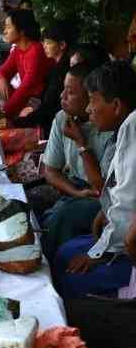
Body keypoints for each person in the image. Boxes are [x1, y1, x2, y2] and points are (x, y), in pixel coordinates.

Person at [54, 61, 136, 300]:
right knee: (65, 253)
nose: (89, 109)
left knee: (72, 275)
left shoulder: (133, 127)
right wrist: (106, 209)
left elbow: (128, 203)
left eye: (93, 100)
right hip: (125, 235)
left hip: (130, 249)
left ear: (117, 105)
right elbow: (119, 191)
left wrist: (97, 253)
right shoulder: (124, 127)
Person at [40, 62, 115, 263]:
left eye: (71, 92)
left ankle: (47, 271)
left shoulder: (111, 128)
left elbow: (101, 188)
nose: (62, 96)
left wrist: (81, 143)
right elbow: (51, 171)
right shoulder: (63, 118)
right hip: (76, 187)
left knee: (63, 216)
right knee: (24, 204)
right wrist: (75, 192)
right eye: (64, 89)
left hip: (104, 196)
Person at [15, 20, 78, 135]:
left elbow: (49, 109)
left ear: (62, 45)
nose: (44, 46)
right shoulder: (57, 66)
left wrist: (18, 122)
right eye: (43, 42)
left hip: (57, 127)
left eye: (48, 43)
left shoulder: (61, 71)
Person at [0, 9, 53, 121]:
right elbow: (1, 72)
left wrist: (3, 113)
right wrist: (2, 78)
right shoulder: (18, 50)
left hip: (41, 102)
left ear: (21, 31)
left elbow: (26, 89)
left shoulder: (36, 51)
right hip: (26, 99)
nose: (5, 31)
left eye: (8, 27)